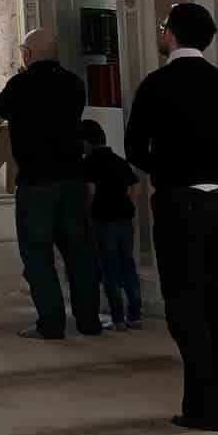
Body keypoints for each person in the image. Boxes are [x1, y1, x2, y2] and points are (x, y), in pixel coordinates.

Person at [126, 2, 218, 432]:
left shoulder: (157, 84)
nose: (160, 33)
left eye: (163, 27)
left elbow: (134, 149)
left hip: (179, 203)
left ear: (171, 35)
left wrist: (166, 170)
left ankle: (204, 408)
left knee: (185, 306)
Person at [0, 26, 104, 339]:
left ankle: (52, 324)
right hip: (72, 179)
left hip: (36, 183)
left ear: (28, 54)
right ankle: (89, 322)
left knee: (38, 257)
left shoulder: (20, 85)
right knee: (79, 255)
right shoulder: (74, 84)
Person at [80, 118, 143, 331]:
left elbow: (90, 191)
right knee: (128, 267)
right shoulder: (119, 160)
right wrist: (128, 207)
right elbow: (135, 187)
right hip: (125, 221)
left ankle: (117, 319)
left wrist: (87, 214)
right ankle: (135, 316)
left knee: (109, 270)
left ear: (86, 143)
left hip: (103, 221)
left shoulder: (88, 164)